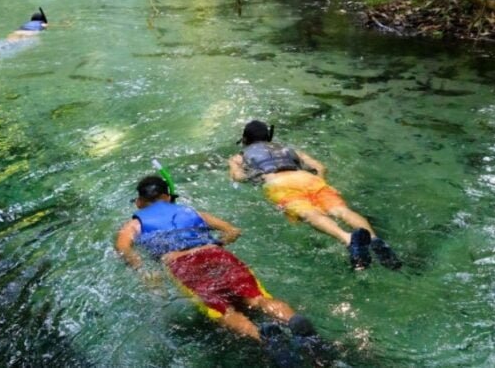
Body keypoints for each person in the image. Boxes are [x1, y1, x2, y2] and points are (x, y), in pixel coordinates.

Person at [116, 175, 334, 365]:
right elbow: (233, 231)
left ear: (139, 201)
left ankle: (263, 338)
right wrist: (218, 244)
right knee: (257, 298)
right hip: (217, 254)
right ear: (167, 196)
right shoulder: (191, 211)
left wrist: (141, 267)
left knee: (223, 311)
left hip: (182, 263)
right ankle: (295, 322)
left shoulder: (136, 222)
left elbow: (123, 247)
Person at [228, 120, 401, 270]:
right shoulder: (289, 149)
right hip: (309, 179)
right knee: (341, 210)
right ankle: (375, 239)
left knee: (309, 213)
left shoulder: (239, 156)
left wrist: (256, 176)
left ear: (244, 140)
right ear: (269, 136)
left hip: (279, 182)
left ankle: (348, 239)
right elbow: (320, 167)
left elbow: (238, 176)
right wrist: (321, 181)